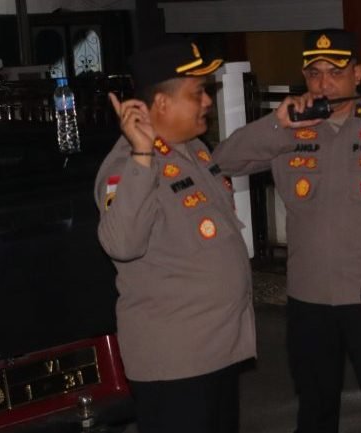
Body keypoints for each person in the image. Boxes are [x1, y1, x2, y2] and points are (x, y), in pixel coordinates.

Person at [212, 29, 361, 433]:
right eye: (314, 73)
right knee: (314, 404)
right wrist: (277, 122)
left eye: (335, 72)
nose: (323, 83)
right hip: (308, 297)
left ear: (357, 73)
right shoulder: (287, 129)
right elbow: (224, 160)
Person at [95, 41, 255, 433]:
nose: (206, 101)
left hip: (217, 351)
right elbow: (122, 244)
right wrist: (142, 157)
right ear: (162, 104)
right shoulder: (125, 166)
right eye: (198, 92)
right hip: (176, 363)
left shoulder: (193, 150)